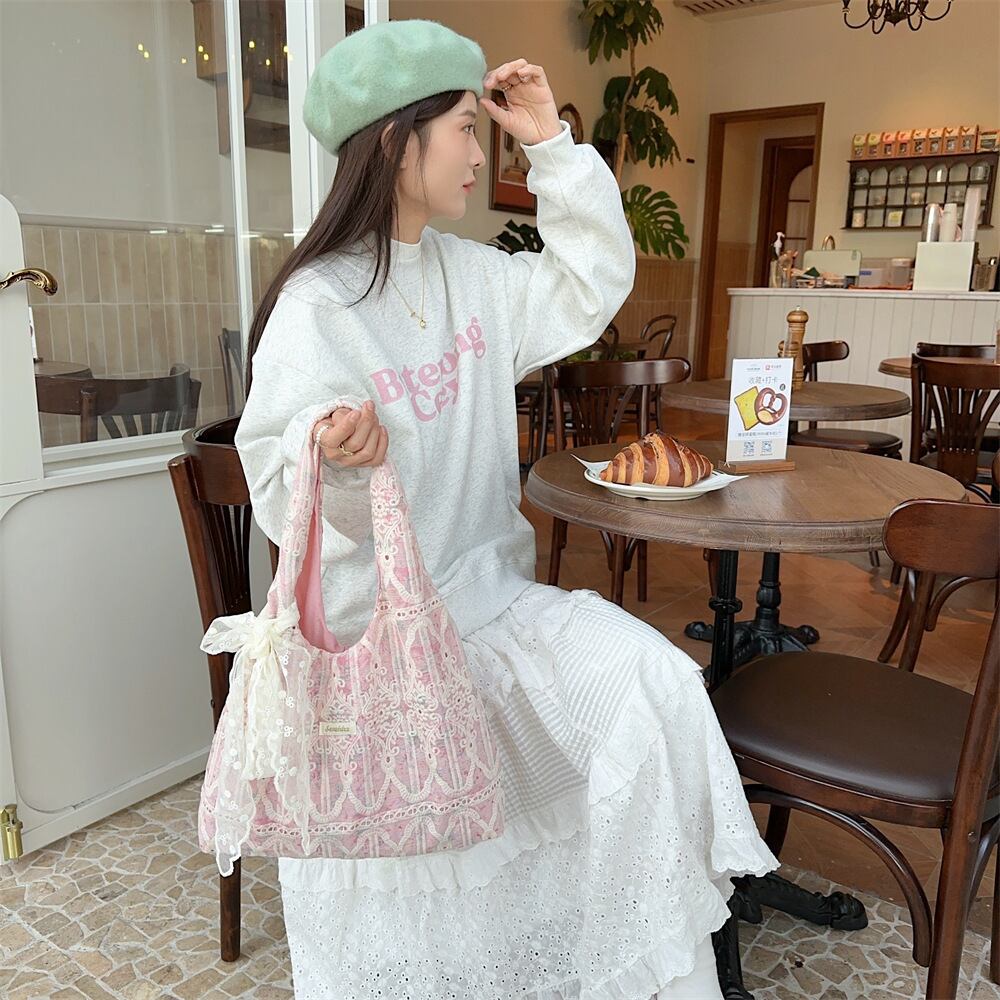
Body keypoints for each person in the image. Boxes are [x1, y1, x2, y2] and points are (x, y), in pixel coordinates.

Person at [234, 18, 777, 1000]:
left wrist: (552, 143)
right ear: (395, 141)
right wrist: (335, 459)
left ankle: (613, 965)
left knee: (654, 684)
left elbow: (587, 285)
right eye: (463, 130)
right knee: (428, 887)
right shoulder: (317, 304)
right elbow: (283, 489)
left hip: (492, 601)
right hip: (381, 641)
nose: (480, 155)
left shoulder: (472, 275)